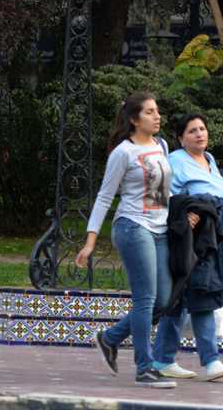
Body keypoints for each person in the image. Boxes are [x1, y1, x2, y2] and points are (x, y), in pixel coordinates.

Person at [76, 91, 179, 388]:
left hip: (160, 230)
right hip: (133, 228)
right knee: (145, 299)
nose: (157, 116)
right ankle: (145, 368)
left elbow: (163, 191)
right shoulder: (123, 152)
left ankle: (109, 338)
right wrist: (90, 241)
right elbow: (105, 196)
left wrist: (184, 211)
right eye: (149, 112)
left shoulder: (161, 145)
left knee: (163, 299)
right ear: (134, 120)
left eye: (157, 111)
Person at [150, 114, 223, 381]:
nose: (200, 134)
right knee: (202, 294)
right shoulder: (175, 160)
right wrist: (186, 213)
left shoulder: (209, 159)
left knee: (179, 298)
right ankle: (211, 361)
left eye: (202, 128)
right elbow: (162, 194)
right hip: (190, 237)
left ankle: (162, 359)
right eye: (192, 131)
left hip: (213, 235)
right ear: (181, 138)